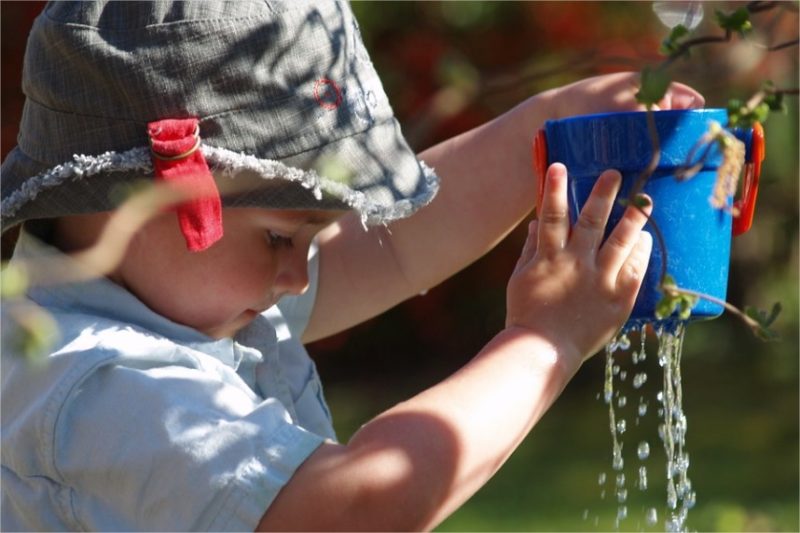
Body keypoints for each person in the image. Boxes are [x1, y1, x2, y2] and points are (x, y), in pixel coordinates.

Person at [0, 1, 704, 531]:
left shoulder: (174, 300)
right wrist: (547, 339)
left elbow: (395, 245)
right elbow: (358, 507)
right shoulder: (95, 384)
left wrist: (545, 130)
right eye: (280, 237)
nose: (299, 277)